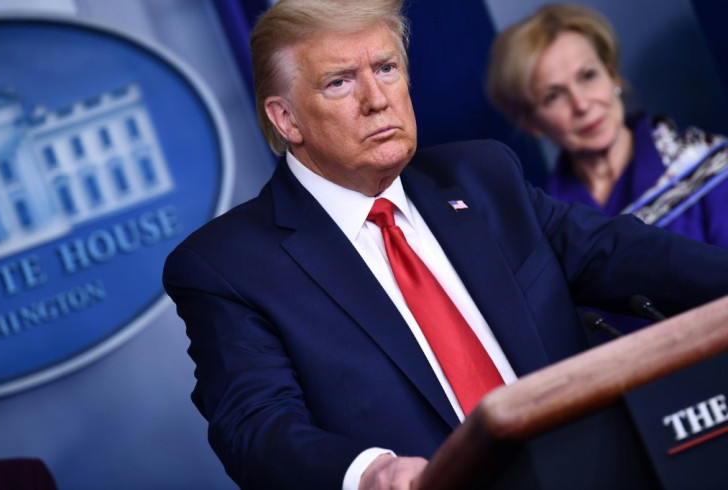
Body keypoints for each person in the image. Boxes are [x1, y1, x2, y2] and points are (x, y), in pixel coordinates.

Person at [162, 1, 728, 489]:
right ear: (285, 119)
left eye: (386, 68)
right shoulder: (227, 265)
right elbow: (255, 426)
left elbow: (623, 253)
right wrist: (370, 472)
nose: (376, 98)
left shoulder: (482, 176)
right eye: (340, 81)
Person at [486, 3, 728, 248]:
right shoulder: (545, 228)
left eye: (588, 76)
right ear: (531, 123)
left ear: (613, 76)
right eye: (553, 96)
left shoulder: (714, 167)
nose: (581, 104)